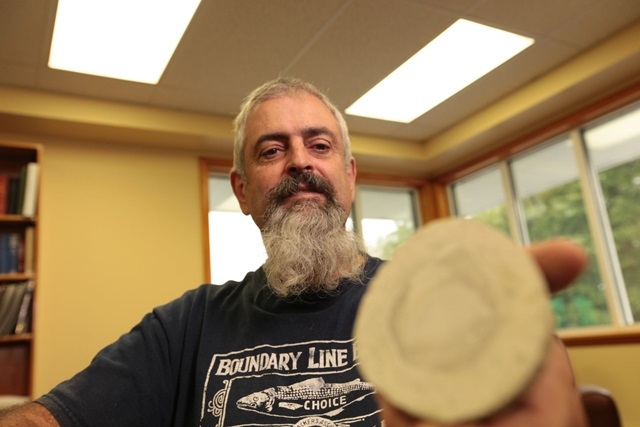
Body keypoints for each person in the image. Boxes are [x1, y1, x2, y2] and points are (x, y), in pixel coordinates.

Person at [0, 77, 587, 427]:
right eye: (272, 150)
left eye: (319, 145)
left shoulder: (433, 304)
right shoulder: (183, 328)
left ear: (349, 177)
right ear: (242, 191)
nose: (300, 161)